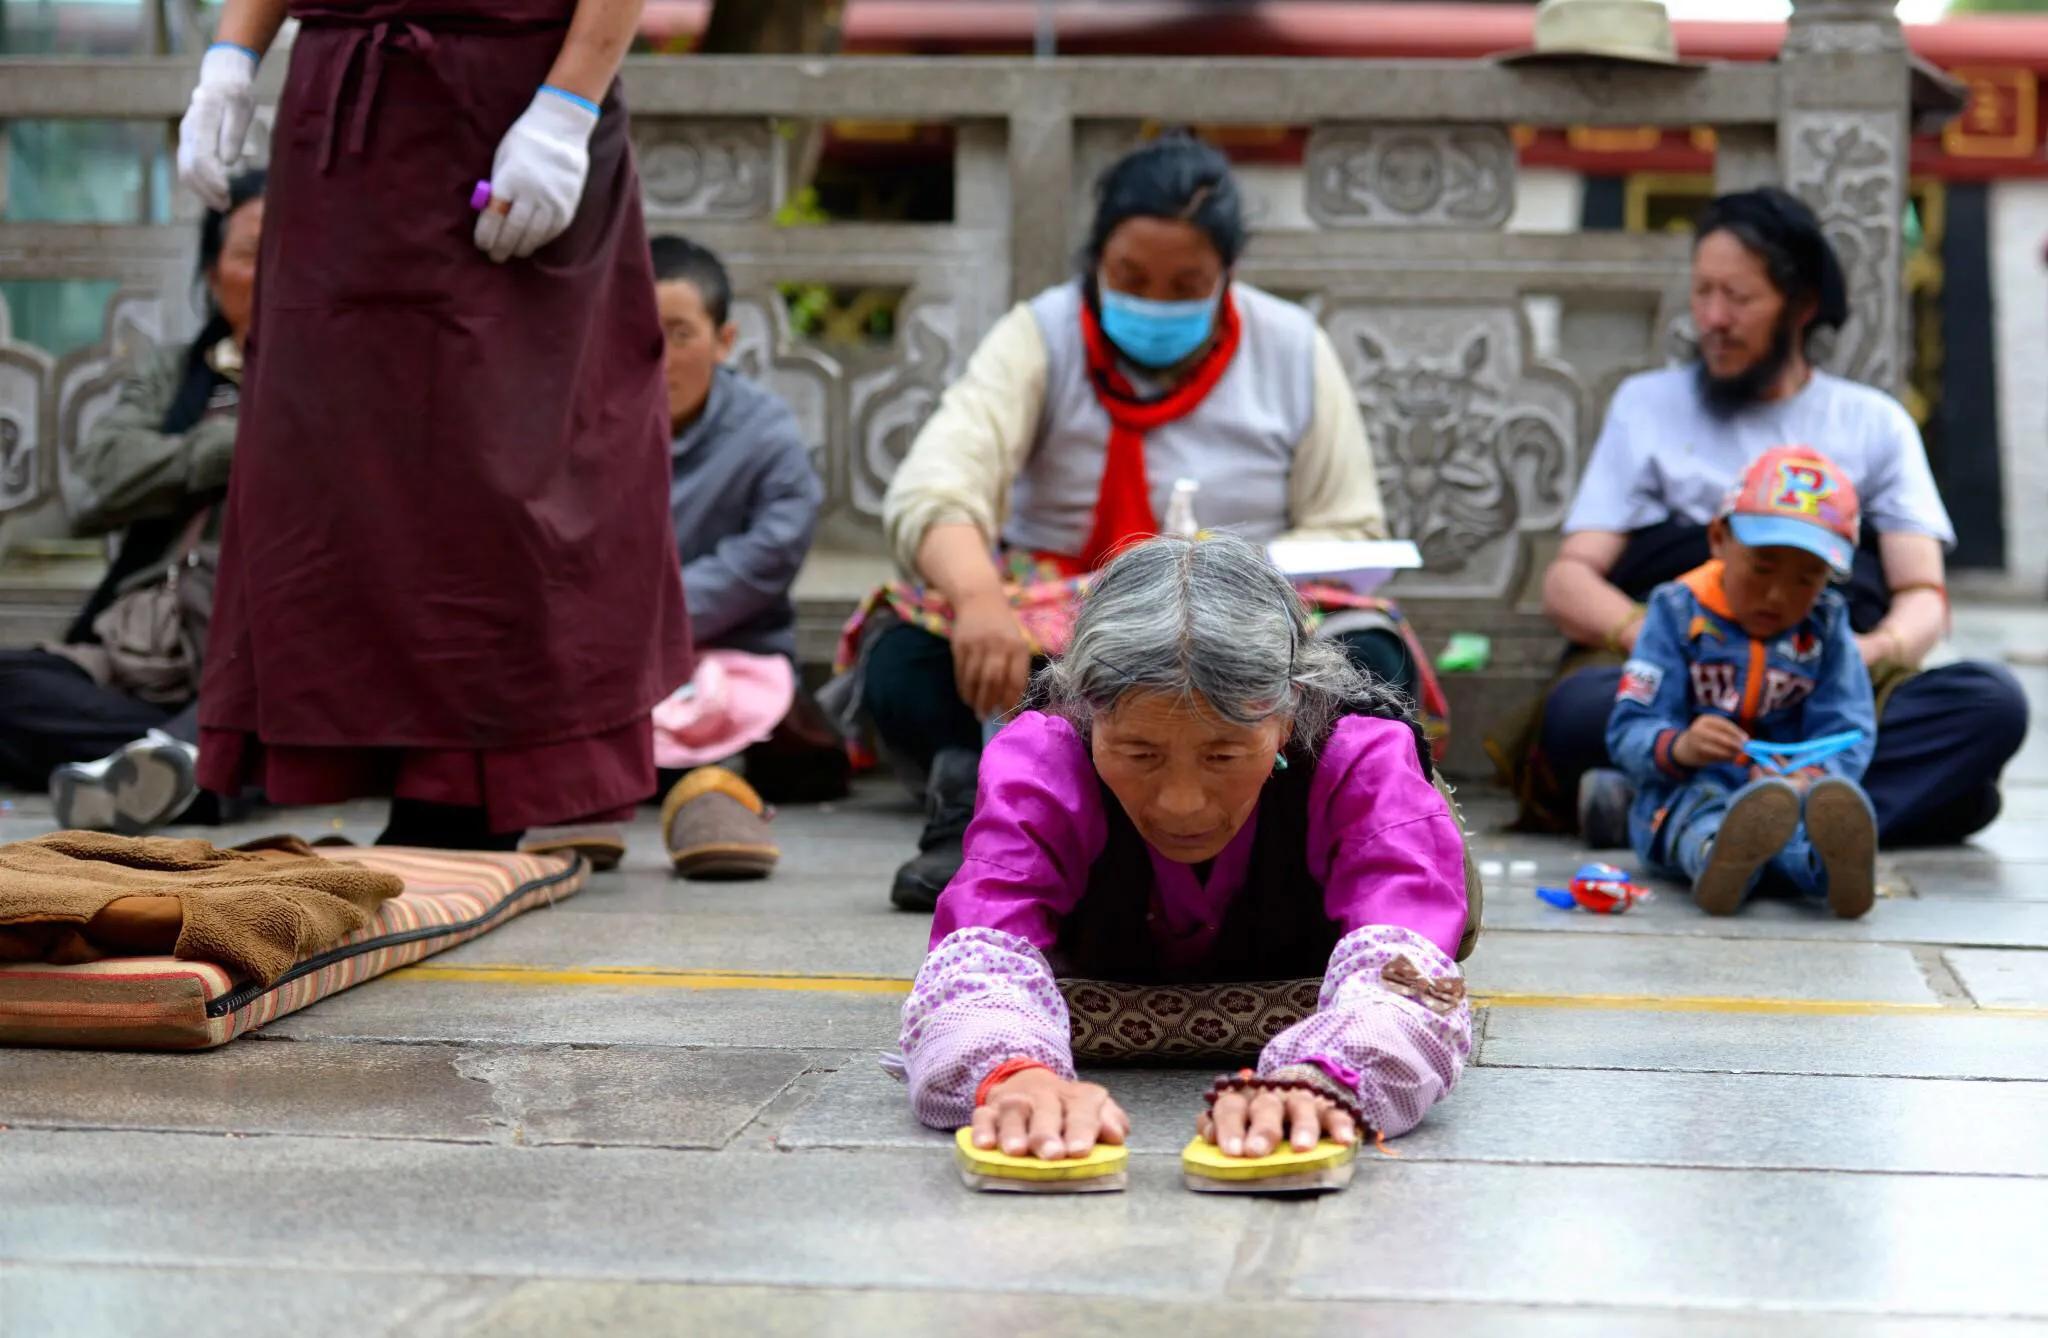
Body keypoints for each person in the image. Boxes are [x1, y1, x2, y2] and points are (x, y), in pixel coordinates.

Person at [847, 135, 1443, 911]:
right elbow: (937, 486)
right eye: (1131, 279)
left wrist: (1230, 577)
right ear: (1095, 260)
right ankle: (979, 797)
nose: (1156, 302)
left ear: (1227, 275)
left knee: (1367, 660)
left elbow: (1350, 526)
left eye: (1186, 284)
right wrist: (979, 601)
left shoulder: (1291, 346)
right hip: (1069, 608)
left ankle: (1278, 809)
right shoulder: (1040, 333)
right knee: (906, 663)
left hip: (1246, 606)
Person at [175, 0, 691, 851]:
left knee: (499, 441)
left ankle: (479, 786)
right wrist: (231, 57)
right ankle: (364, 765)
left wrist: (570, 103)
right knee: (328, 447)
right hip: (341, 115)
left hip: (510, 99)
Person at [897, 534, 1472, 1164]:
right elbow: (979, 946)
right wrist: (1012, 1076)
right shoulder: (1045, 754)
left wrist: (1331, 1078)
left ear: (1287, 714)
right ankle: (961, 790)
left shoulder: (1359, 758)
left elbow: (1411, 969)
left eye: (1223, 754)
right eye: (1139, 754)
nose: (1181, 804)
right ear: (1089, 713)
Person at [1521, 186, 2027, 848]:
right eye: (1703, 293)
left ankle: (1669, 816)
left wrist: (1858, 656)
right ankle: (1832, 818)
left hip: (1816, 694)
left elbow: (1922, 594)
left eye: (1739, 298)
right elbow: (1569, 580)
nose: (1714, 317)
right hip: (1687, 691)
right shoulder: (1645, 407)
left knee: (1990, 705)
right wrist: (1662, 639)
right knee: (1577, 714)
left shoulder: (1873, 422)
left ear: (1801, 306)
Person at [0, 170, 265, 834]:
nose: (273, 274)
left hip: (262, 643)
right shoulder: (175, 375)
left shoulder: (341, 382)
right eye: (253, 254)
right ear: (211, 277)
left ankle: (186, 758)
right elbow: (103, 478)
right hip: (144, 642)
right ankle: (184, 762)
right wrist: (234, 444)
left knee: (274, 672)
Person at [1607, 447, 1878, 918]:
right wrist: (1682, 746)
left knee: (1809, 818)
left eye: (1806, 578)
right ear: (1718, 538)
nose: (1778, 595)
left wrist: (1807, 779)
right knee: (1698, 812)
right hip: (1689, 789)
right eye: (1763, 567)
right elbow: (1629, 727)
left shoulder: (1828, 624)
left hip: (1789, 793)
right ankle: (1718, 858)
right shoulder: (1675, 611)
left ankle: (1827, 866)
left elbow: (1850, 729)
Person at [649, 233, 847, 807]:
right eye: (641, 331)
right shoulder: (583, 426)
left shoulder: (767, 435)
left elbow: (768, 555)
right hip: (614, 653)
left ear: (724, 340)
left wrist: (650, 622)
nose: (659, 355)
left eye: (680, 335)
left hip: (736, 653)